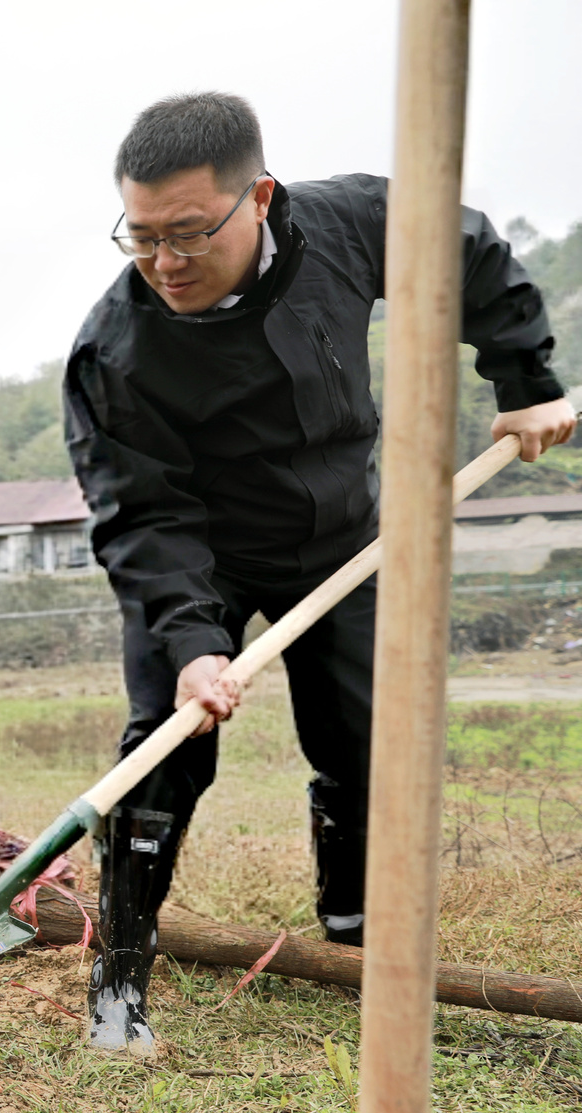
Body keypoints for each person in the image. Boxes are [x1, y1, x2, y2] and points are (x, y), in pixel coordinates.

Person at [64, 93, 573, 1055]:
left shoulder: (346, 225)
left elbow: (465, 250)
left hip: (343, 536)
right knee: (166, 752)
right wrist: (191, 643)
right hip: (202, 556)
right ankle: (119, 979)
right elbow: (143, 512)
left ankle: (355, 933)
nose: (164, 264)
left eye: (187, 235)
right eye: (140, 238)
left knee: (366, 741)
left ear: (258, 197)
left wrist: (526, 381)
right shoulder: (118, 349)